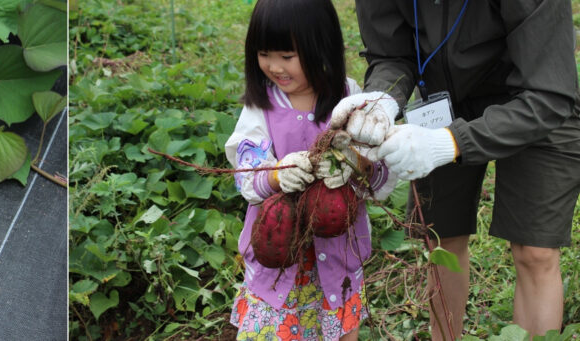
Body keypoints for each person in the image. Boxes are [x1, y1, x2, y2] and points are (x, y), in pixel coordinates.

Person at [330, 1, 580, 339]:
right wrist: (382, 100)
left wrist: (449, 144)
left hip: (536, 99)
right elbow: (391, 54)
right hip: (443, 98)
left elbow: (548, 95)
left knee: (534, 249)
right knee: (441, 238)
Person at [223, 0, 397, 339]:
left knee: (339, 329)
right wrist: (276, 173)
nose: (274, 67)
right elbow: (245, 169)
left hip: (338, 254)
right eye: (263, 54)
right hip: (279, 256)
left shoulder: (351, 100)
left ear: (322, 47)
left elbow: (382, 170)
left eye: (287, 57)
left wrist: (355, 165)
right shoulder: (261, 107)